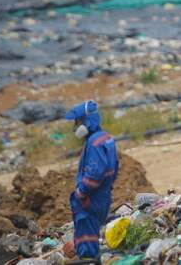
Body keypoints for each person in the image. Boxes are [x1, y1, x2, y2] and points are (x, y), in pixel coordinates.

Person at [65, 100, 118, 264]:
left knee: (87, 240)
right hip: (103, 196)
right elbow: (114, 168)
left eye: (77, 122)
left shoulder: (94, 143)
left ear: (86, 121)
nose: (75, 126)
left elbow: (94, 173)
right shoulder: (105, 138)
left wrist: (81, 192)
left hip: (90, 200)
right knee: (93, 237)